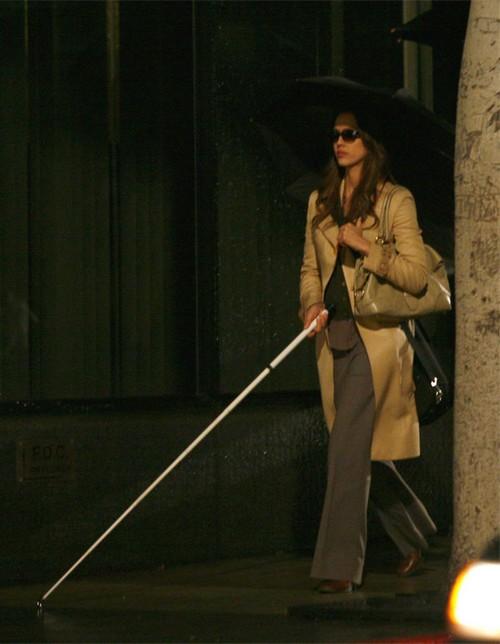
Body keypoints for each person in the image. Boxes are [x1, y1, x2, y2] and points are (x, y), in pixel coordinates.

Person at [299, 111, 437, 594]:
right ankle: (414, 532)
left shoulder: (396, 200)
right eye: (335, 134)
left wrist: (365, 247)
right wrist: (310, 304)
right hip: (331, 337)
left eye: (350, 133)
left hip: (375, 341)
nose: (339, 141)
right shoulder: (320, 201)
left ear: (369, 141)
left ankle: (339, 566)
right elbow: (310, 269)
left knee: (346, 451)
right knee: (360, 449)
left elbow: (416, 276)